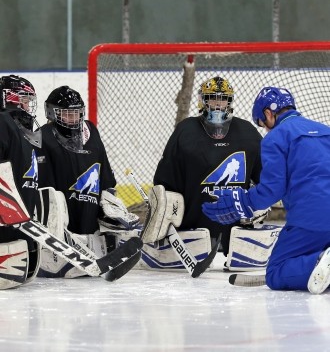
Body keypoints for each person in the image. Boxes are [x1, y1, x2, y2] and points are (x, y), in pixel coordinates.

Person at [202, 86, 330, 294]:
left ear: (268, 114)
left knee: (276, 272)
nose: (266, 130)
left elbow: (272, 190)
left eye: (264, 125)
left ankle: (315, 263)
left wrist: (241, 202)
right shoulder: (326, 130)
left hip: (311, 219)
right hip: (320, 220)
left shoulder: (276, 137)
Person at [152, 76, 265, 268]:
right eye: (212, 98)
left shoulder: (248, 132)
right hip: (192, 233)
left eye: (223, 99)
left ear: (230, 101)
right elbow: (166, 177)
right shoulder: (186, 130)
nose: (218, 104)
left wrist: (262, 203)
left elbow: (264, 177)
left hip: (237, 237)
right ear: (203, 100)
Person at [36, 85, 140, 278]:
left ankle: (103, 250)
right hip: (61, 223)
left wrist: (109, 201)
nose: (73, 118)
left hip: (88, 213)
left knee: (106, 213)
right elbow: (43, 191)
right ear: (52, 113)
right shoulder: (42, 137)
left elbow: (105, 175)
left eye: (76, 113)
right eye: (67, 114)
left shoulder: (90, 131)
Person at [0, 74, 41, 288]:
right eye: (23, 99)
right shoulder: (3, 121)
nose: (27, 105)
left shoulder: (25, 130)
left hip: (19, 223)